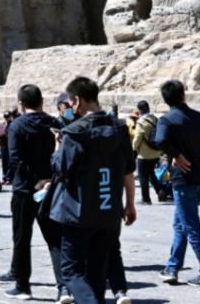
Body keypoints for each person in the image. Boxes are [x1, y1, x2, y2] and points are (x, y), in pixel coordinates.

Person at [47, 76, 135, 304]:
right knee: (98, 270)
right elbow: (128, 170)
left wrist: (57, 146)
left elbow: (60, 168)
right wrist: (130, 203)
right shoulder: (120, 128)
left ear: (77, 101)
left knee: (71, 270)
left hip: (79, 211)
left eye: (70, 103)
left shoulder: (74, 132)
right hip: (109, 209)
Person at [0, 84, 68, 301]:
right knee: (55, 239)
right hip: (51, 189)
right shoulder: (55, 123)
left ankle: (23, 286)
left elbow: (15, 160)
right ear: (42, 102)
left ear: (21, 104)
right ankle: (64, 287)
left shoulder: (17, 125)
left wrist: (35, 182)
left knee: (22, 238)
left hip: (24, 190)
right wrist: (49, 180)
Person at [151, 78, 200, 287]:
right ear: (183, 95)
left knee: (191, 227)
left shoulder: (167, 120)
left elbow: (160, 140)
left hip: (183, 179)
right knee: (180, 224)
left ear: (165, 99)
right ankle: (172, 268)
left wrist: (177, 155)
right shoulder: (199, 116)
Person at [132, 100, 161, 205]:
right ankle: (160, 190)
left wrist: (133, 149)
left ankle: (146, 199)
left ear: (139, 110)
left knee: (143, 176)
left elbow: (137, 138)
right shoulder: (155, 119)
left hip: (144, 155)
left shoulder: (141, 122)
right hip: (156, 152)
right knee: (151, 173)